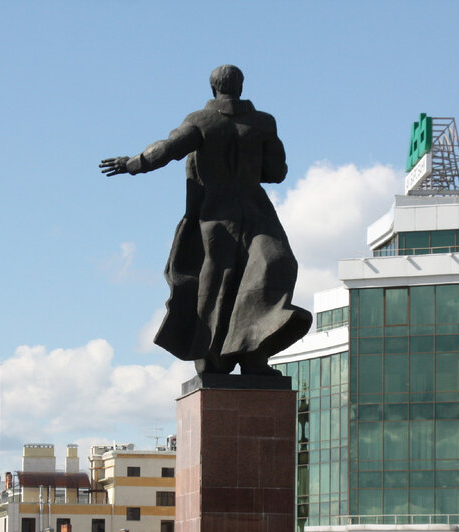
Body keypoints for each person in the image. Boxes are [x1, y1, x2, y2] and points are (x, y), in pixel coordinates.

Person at [100, 65, 312, 376]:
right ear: (240, 87)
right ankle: (212, 356)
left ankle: (251, 352)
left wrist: (133, 163)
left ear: (213, 89)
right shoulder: (250, 122)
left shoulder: (228, 121)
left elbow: (168, 149)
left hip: (236, 212)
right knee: (253, 271)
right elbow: (277, 172)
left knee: (254, 271)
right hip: (233, 212)